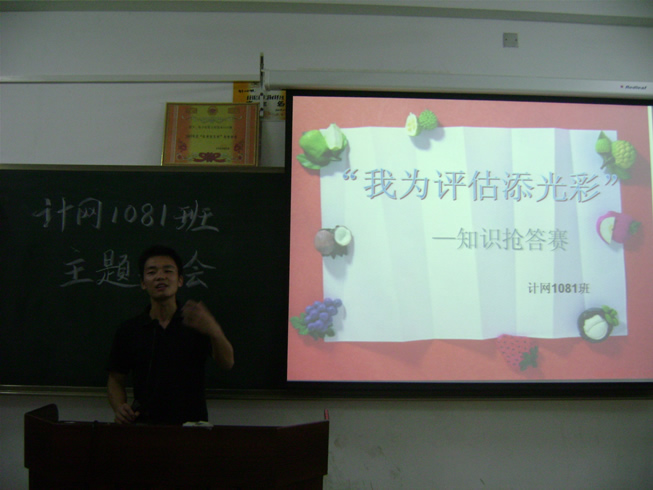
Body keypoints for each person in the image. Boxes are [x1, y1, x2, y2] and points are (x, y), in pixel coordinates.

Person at [107, 245, 234, 425]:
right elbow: (115, 379)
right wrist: (119, 407)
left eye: (168, 271)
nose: (160, 276)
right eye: (152, 272)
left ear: (180, 280)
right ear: (143, 283)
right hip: (144, 426)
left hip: (191, 427)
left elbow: (227, 363)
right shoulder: (130, 329)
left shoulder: (197, 322)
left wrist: (215, 330)